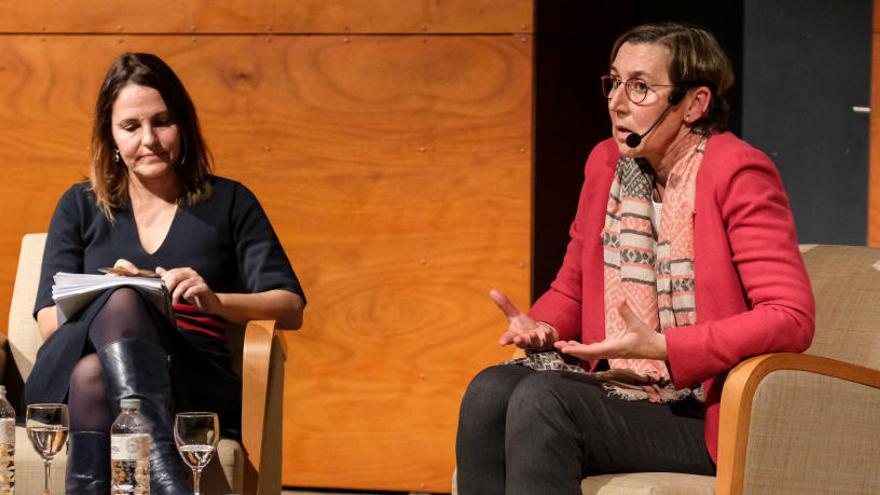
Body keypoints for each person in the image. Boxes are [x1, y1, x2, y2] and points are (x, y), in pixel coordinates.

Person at [455, 22, 815, 495]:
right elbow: (572, 288)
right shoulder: (607, 165)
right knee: (489, 390)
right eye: (615, 82)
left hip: (704, 410)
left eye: (641, 87)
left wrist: (669, 347)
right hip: (629, 388)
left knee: (546, 400)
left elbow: (790, 318)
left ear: (694, 103)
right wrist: (542, 329)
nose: (617, 102)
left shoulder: (737, 171)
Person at [25, 52, 306, 494]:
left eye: (162, 121)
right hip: (71, 367)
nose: (149, 139)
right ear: (111, 137)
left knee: (94, 373)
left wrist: (214, 301)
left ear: (184, 127)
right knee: (116, 310)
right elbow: (47, 322)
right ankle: (167, 476)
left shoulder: (230, 202)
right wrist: (122, 295)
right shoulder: (79, 205)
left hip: (190, 378)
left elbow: (290, 306)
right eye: (131, 127)